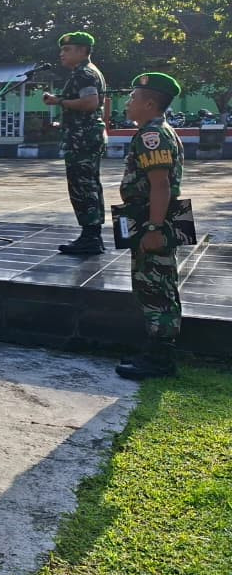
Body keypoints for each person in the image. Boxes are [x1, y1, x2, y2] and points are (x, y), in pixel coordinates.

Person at [114, 74, 186, 380]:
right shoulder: (153, 132)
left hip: (152, 220)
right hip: (147, 218)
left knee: (156, 289)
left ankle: (160, 360)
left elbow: (161, 185)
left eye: (133, 97)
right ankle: (156, 352)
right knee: (155, 286)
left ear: (150, 103)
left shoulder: (152, 136)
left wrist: (154, 228)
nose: (128, 103)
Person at [43, 31, 108, 255]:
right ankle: (91, 235)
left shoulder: (85, 73)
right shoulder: (85, 73)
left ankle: (90, 237)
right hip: (84, 135)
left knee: (83, 186)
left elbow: (90, 103)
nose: (62, 53)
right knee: (88, 185)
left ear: (82, 51)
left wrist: (58, 101)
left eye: (67, 49)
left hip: (83, 139)